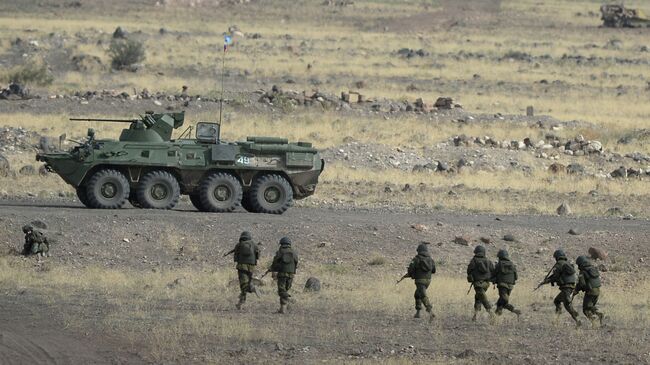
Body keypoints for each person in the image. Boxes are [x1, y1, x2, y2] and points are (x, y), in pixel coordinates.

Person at [539, 249, 581, 326]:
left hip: (566, 288)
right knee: (559, 302)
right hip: (571, 287)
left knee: (565, 304)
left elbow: (555, 277)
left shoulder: (558, 264)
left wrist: (546, 281)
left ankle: (576, 319)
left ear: (557, 257)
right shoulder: (567, 263)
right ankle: (558, 319)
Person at [406, 242, 436, 321]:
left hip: (420, 280)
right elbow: (434, 270)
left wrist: (410, 274)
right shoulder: (431, 259)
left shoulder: (416, 259)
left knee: (423, 296)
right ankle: (418, 313)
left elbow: (411, 269)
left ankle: (430, 312)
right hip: (428, 281)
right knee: (417, 294)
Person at [269, 237, 299, 314]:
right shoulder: (294, 252)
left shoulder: (280, 251)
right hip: (291, 275)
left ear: (281, 244)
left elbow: (275, 262)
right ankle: (282, 309)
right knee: (285, 289)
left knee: (281, 291)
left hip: (282, 274)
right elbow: (296, 262)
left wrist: (272, 270)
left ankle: (288, 300)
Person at [232, 231, 260, 309]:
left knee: (244, 284)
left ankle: (252, 288)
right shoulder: (254, 244)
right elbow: (258, 255)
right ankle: (240, 303)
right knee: (246, 282)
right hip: (251, 267)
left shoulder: (239, 245)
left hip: (242, 266)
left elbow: (236, 256)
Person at [574, 255, 604, 326]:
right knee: (590, 307)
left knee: (585, 310)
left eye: (578, 264)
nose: (578, 266)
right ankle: (599, 314)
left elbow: (581, 284)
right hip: (597, 291)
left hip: (590, 292)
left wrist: (576, 290)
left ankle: (595, 321)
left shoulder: (583, 271)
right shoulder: (592, 269)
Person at [467, 245, 494, 321]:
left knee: (483, 299)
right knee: (478, 298)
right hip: (486, 284)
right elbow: (493, 271)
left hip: (477, 284)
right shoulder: (488, 261)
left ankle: (491, 314)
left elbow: (468, 271)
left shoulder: (474, 260)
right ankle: (475, 315)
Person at [492, 249, 521, 317]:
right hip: (510, 286)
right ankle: (497, 313)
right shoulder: (512, 265)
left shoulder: (499, 265)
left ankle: (514, 310)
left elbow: (494, 274)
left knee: (504, 300)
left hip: (502, 285)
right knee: (503, 299)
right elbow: (516, 277)